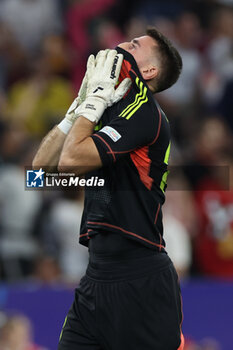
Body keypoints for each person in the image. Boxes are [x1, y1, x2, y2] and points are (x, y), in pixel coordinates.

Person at [33, 27, 184, 350]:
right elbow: (39, 175)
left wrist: (94, 102)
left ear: (148, 71)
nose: (119, 45)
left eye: (133, 45)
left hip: (140, 281)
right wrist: (75, 113)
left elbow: (71, 161)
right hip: (95, 279)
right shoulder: (104, 111)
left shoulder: (144, 112)